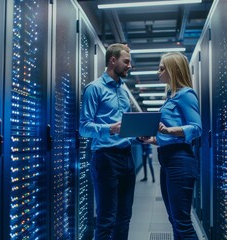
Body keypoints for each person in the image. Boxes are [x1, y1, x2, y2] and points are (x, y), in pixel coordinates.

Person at [140, 52, 202, 240]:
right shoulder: (171, 97)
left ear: (173, 70)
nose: (158, 71)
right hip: (168, 160)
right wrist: (153, 140)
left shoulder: (186, 95)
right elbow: (169, 136)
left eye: (161, 68)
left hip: (180, 161)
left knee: (182, 223)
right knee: (174, 219)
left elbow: (196, 128)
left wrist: (168, 130)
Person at [79, 43, 135, 240]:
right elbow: (84, 127)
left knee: (124, 218)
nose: (130, 66)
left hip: (127, 158)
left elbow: (125, 128)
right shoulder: (94, 89)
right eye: (126, 61)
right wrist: (109, 129)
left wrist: (138, 135)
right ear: (113, 60)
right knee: (106, 220)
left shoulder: (123, 91)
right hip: (105, 159)